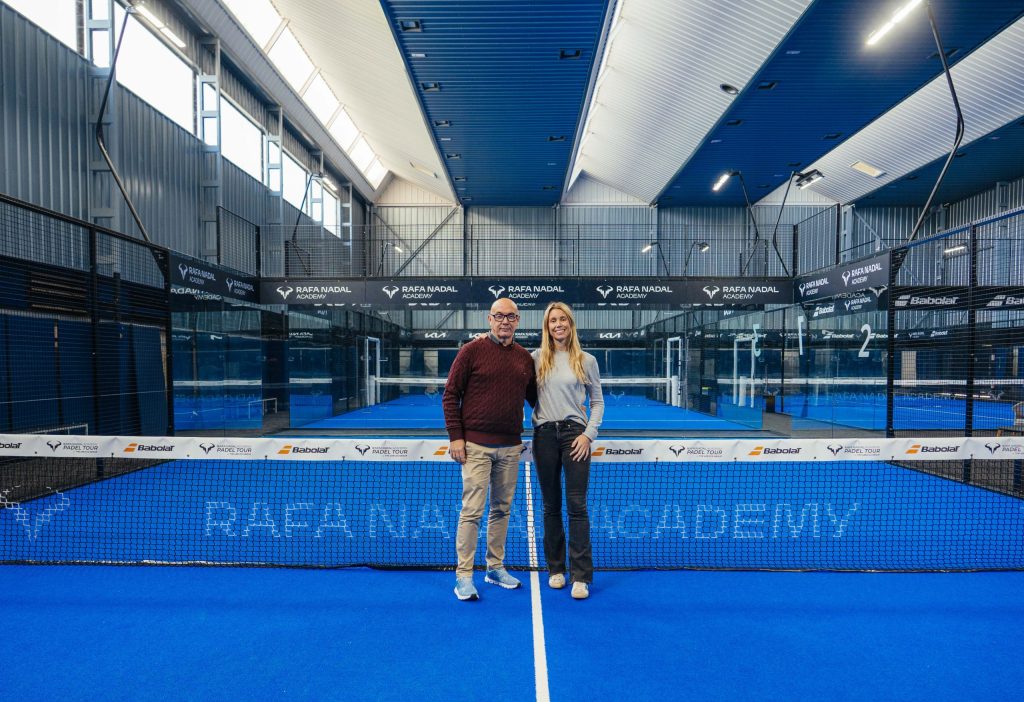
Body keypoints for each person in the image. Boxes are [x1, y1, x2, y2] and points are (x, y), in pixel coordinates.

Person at [443, 298, 537, 601]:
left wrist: (570, 412)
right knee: (472, 512)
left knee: (501, 510)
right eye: (499, 316)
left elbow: (536, 399)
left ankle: (495, 568)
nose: (504, 321)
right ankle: (464, 575)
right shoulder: (471, 351)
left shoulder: (524, 358)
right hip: (475, 447)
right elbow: (450, 395)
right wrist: (456, 437)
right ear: (489, 319)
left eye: (510, 316)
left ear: (518, 321)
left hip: (510, 447)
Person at [531, 301, 604, 600]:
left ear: (571, 324)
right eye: (553, 320)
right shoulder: (535, 358)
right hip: (544, 436)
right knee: (550, 506)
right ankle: (556, 569)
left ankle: (581, 576)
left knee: (577, 506)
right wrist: (487, 338)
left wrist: (588, 435)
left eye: (563, 319)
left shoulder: (587, 360)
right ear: (547, 327)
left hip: (576, 437)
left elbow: (597, 402)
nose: (558, 324)